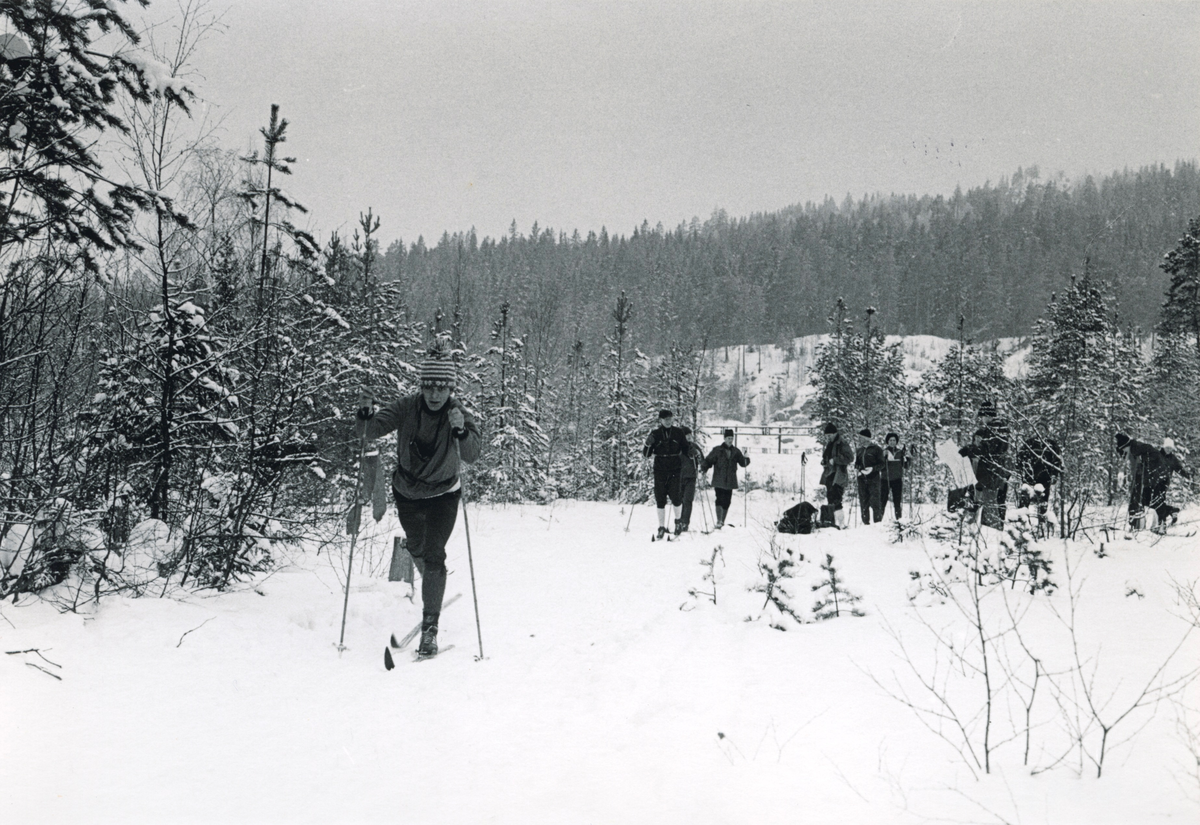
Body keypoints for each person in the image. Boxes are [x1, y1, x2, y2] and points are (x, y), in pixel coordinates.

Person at [355, 342, 482, 657]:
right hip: (408, 491)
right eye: (429, 386)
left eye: (441, 387)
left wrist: (462, 432)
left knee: (435, 554)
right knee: (417, 547)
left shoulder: (457, 414)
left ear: (449, 387)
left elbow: (473, 455)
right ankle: (432, 582)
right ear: (422, 386)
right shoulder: (406, 407)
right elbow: (369, 431)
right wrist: (364, 413)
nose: (435, 394)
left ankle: (430, 627)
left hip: (443, 494)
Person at [959, 401, 1010, 529]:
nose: (981, 419)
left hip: (991, 473)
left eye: (982, 416)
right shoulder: (999, 428)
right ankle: (994, 529)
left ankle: (992, 533)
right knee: (994, 503)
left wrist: (969, 449)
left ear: (987, 415)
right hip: (996, 472)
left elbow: (986, 451)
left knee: (990, 505)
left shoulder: (994, 429)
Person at [643, 409, 690, 539]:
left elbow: (685, 449)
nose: (668, 422)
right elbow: (646, 454)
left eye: (670, 419)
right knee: (660, 499)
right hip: (660, 469)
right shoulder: (655, 434)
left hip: (675, 468)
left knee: (676, 497)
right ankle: (661, 527)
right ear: (661, 420)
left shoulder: (678, 432)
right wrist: (647, 444)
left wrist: (691, 452)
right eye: (665, 419)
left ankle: (678, 522)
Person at [701, 428, 751, 529]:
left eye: (731, 438)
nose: (730, 440)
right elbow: (708, 461)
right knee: (719, 499)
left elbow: (743, 463)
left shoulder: (736, 451)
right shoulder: (717, 450)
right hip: (719, 479)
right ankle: (719, 520)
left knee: (727, 501)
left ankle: (722, 521)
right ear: (724, 438)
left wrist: (747, 458)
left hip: (730, 481)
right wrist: (703, 469)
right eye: (728, 438)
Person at [1115, 432, 1157, 530]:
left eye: (1123, 450)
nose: (1123, 454)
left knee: (1140, 503)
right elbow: (1126, 463)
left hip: (1144, 478)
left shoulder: (1137, 450)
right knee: (1134, 503)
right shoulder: (1129, 451)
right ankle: (1135, 525)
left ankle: (1141, 525)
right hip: (1137, 478)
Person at [1147, 437, 1192, 527]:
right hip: (1154, 482)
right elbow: (1149, 466)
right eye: (1167, 448)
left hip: (1163, 483)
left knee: (1157, 504)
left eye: (1170, 448)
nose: (1168, 450)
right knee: (1154, 504)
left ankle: (1161, 524)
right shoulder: (1157, 455)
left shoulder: (1172, 458)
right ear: (1163, 447)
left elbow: (1179, 468)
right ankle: (1171, 511)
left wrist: (1187, 475)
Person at [1016, 436, 1061, 522]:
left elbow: (1057, 460)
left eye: (1043, 428)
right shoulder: (1029, 442)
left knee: (1043, 503)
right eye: (1038, 427)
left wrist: (1054, 475)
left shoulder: (1051, 444)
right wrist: (1021, 468)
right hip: (1030, 476)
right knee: (1024, 500)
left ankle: (1042, 524)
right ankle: (1022, 521)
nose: (1040, 431)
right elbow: (1020, 456)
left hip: (1045, 477)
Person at [819, 423, 854, 529]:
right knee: (830, 498)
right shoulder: (830, 443)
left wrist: (835, 460)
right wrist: (824, 461)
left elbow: (850, 458)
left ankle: (841, 523)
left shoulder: (842, 443)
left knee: (837, 499)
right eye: (827, 435)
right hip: (829, 474)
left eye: (829, 435)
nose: (828, 437)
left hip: (838, 475)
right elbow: (827, 457)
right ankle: (832, 522)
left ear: (835, 433)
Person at [676, 427, 705, 533]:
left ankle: (685, 523)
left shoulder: (694, 446)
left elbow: (702, 460)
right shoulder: (677, 447)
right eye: (686, 435)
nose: (689, 437)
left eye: (690, 435)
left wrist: (697, 455)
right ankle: (678, 522)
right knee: (678, 501)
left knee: (687, 500)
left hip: (691, 477)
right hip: (678, 478)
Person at [854, 428, 885, 524]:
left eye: (861, 437)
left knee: (875, 502)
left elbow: (882, 464)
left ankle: (877, 523)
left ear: (867, 438)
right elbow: (857, 463)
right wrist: (857, 469)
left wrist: (873, 469)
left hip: (874, 479)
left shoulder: (877, 449)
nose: (859, 439)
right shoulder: (859, 450)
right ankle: (865, 524)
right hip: (862, 479)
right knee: (863, 502)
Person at [880, 432, 910, 519]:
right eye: (890, 440)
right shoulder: (883, 452)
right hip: (885, 479)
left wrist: (908, 459)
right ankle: (879, 520)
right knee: (882, 501)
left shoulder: (900, 452)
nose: (892, 442)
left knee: (897, 502)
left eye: (894, 440)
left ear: (896, 441)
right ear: (887, 441)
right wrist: (883, 458)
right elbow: (880, 467)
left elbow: (906, 466)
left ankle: (899, 520)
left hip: (897, 480)